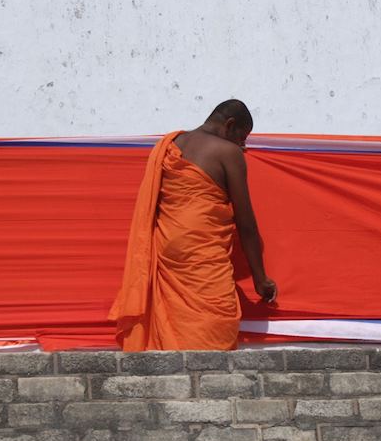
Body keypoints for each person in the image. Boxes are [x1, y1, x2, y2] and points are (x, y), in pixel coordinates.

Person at [109, 99, 277, 351]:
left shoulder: (170, 145)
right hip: (204, 257)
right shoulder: (227, 152)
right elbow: (246, 223)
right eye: (242, 138)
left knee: (169, 331)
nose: (242, 146)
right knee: (213, 325)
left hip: (167, 250)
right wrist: (260, 278)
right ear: (229, 125)